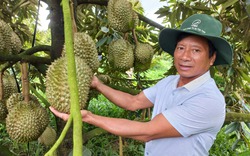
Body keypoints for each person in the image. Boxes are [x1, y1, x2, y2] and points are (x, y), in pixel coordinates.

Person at [49, 14, 233, 156]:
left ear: (212, 58)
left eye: (196, 50)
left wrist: (89, 117)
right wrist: (98, 84)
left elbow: (147, 132)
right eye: (181, 48)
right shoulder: (169, 82)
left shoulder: (209, 101)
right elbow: (133, 102)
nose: (185, 56)